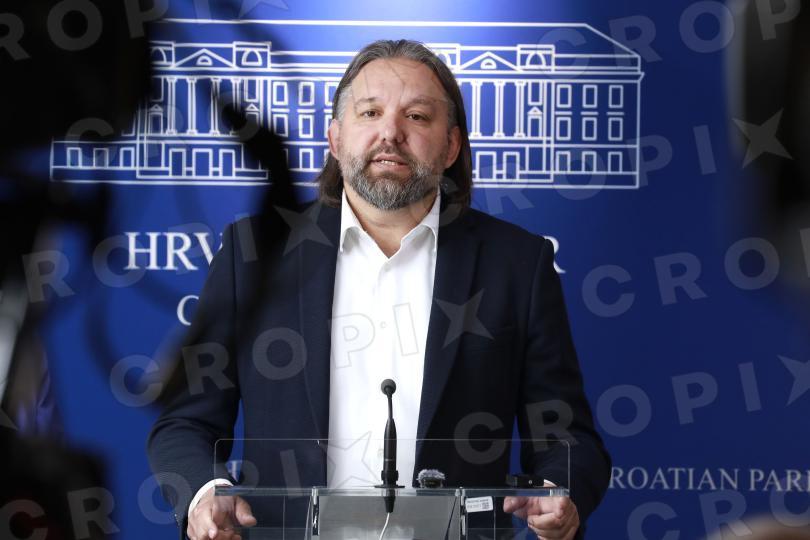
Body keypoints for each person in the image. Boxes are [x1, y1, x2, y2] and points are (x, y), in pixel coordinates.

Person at [148, 39, 611, 540]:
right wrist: (204, 492)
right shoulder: (254, 253)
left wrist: (559, 492)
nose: (390, 133)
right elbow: (185, 422)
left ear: (451, 146)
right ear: (335, 137)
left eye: (417, 116)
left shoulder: (517, 264)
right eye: (370, 112)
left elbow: (566, 436)